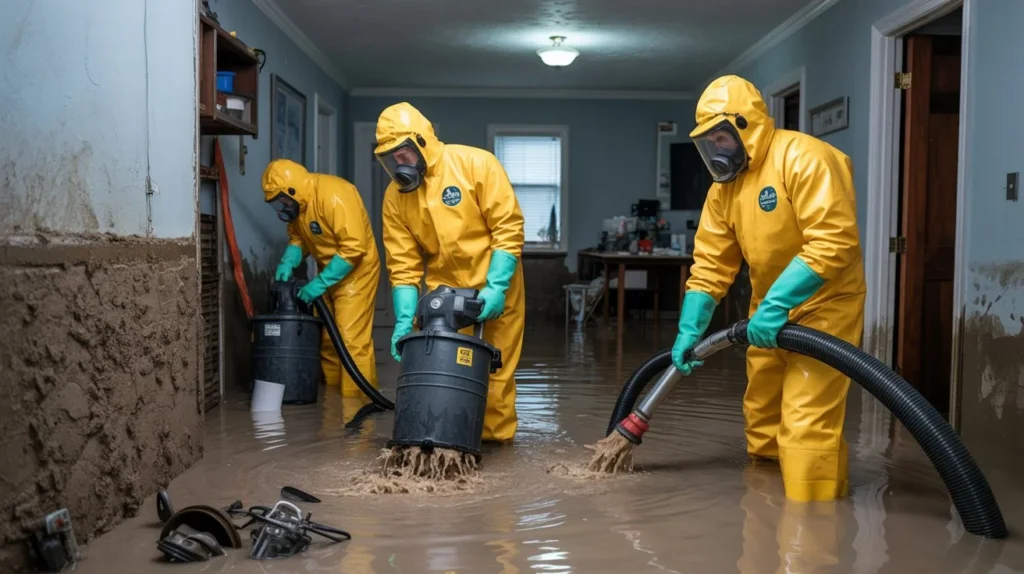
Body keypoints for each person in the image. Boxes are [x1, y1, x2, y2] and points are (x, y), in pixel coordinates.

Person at [672, 75, 866, 502]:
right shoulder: (724, 191)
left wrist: (778, 303)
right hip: (766, 312)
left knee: (805, 418)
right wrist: (690, 328)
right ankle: (764, 513)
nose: (716, 151)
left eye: (722, 138)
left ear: (746, 126)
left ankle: (812, 523)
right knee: (762, 417)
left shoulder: (805, 158)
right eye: (708, 143)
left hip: (825, 306)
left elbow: (835, 241)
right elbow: (711, 264)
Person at [374, 102, 525, 443]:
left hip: (494, 282)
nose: (398, 164)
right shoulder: (395, 198)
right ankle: (444, 440)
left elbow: (508, 227)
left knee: (495, 372)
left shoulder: (475, 164)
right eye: (390, 158)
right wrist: (404, 320)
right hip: (442, 294)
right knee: (441, 369)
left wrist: (497, 286)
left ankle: (494, 448)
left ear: (421, 142)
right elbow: (403, 263)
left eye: (403, 153)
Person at [262, 159, 381, 398]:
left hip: (357, 273)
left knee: (350, 339)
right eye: (277, 204)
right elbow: (298, 239)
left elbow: (354, 247)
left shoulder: (335, 195)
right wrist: (289, 260)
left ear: (292, 190)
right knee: (328, 339)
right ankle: (334, 401)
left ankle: (357, 400)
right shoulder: (299, 207)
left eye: (282, 201)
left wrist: (320, 283)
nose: (282, 208)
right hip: (328, 271)